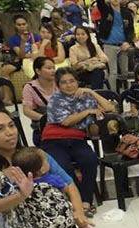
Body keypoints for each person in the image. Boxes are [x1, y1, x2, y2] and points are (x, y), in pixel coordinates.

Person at [43, 68, 117, 217]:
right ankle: (78, 202)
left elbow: (110, 108)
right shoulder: (55, 99)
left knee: (90, 160)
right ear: (58, 86)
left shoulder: (86, 97)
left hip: (77, 139)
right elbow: (66, 121)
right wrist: (87, 112)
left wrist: (91, 92)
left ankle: (85, 202)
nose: (69, 85)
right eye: (64, 83)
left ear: (77, 82)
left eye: (72, 81)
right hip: (53, 140)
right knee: (63, 167)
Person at [95, 0, 135, 93]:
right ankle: (113, 95)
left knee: (125, 72)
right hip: (109, 45)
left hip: (123, 45)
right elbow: (100, 2)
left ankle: (127, 93)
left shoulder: (126, 12)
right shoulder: (105, 9)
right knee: (113, 72)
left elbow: (130, 30)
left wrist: (128, 42)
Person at [1, 15, 40, 104]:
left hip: (34, 59)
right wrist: (22, 42)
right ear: (15, 25)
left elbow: (38, 52)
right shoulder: (13, 39)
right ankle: (7, 98)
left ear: (27, 24)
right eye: (19, 24)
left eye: (23, 24)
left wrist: (29, 55)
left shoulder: (35, 36)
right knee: (5, 69)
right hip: (20, 60)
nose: (22, 26)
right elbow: (21, 55)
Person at [22, 57, 58, 147]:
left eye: (54, 68)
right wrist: (44, 119)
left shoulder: (60, 83)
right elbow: (27, 110)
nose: (53, 71)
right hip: (43, 129)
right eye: (49, 68)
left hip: (63, 126)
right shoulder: (30, 87)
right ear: (38, 71)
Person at [69, 26, 109, 90]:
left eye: (83, 34)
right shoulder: (73, 48)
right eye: (78, 34)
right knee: (97, 74)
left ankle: (95, 94)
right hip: (82, 72)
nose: (80, 36)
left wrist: (97, 59)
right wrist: (87, 61)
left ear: (87, 35)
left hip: (95, 69)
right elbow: (74, 66)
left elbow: (105, 59)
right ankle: (97, 94)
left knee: (98, 72)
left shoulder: (95, 46)